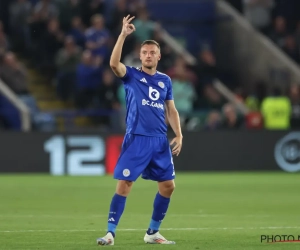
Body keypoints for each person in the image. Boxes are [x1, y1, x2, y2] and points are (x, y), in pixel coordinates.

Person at [97, 15, 183, 246]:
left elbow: (171, 110)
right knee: (124, 185)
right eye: (144, 52)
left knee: (168, 186)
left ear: (158, 56)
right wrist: (123, 35)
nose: (147, 55)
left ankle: (152, 233)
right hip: (137, 139)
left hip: (159, 141)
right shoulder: (132, 75)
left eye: (152, 52)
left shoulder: (165, 81)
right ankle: (110, 233)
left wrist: (179, 133)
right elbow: (114, 64)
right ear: (140, 55)